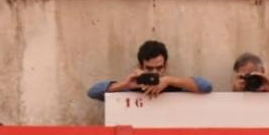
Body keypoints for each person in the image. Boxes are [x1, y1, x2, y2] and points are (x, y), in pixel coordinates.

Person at [86, 40, 215, 100]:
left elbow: (206, 86)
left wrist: (168, 80)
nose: (154, 73)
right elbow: (93, 92)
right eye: (149, 68)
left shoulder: (174, 86)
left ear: (165, 66)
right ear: (141, 66)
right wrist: (125, 85)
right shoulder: (131, 87)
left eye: (159, 68)